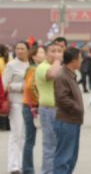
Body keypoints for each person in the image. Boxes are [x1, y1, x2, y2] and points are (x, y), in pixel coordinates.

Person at [53, 47, 84, 174]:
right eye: (80, 58)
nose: (81, 61)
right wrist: (77, 109)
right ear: (74, 60)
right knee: (63, 158)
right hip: (67, 121)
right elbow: (62, 99)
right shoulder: (62, 76)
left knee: (71, 158)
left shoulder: (70, 75)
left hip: (73, 121)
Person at [35, 41, 63, 174]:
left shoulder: (60, 67)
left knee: (59, 146)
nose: (57, 53)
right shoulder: (43, 67)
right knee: (50, 146)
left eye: (59, 51)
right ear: (46, 53)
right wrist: (58, 60)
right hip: (48, 110)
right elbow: (52, 74)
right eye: (53, 51)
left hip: (61, 110)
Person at [2, 41, 30, 174]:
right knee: (16, 134)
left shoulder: (31, 64)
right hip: (16, 103)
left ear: (28, 50)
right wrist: (20, 87)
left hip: (30, 104)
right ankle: (14, 165)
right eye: (17, 48)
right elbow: (4, 85)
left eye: (22, 48)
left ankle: (23, 163)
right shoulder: (11, 65)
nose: (19, 51)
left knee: (25, 135)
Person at [22, 45, 45, 174]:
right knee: (30, 140)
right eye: (41, 52)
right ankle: (27, 169)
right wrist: (38, 101)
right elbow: (30, 88)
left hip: (29, 105)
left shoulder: (34, 68)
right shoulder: (33, 69)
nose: (43, 54)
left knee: (30, 140)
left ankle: (27, 168)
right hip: (31, 107)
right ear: (34, 56)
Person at [0, 44, 10, 131]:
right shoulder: (9, 60)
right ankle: (6, 126)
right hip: (6, 86)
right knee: (5, 106)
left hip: (2, 85)